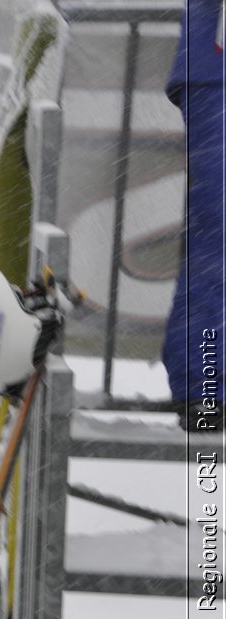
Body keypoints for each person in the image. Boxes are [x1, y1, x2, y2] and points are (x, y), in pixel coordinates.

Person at [163, 0, 224, 432]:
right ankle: (202, 387)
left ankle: (203, 386)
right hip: (216, 66)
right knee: (214, 240)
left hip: (212, 63)